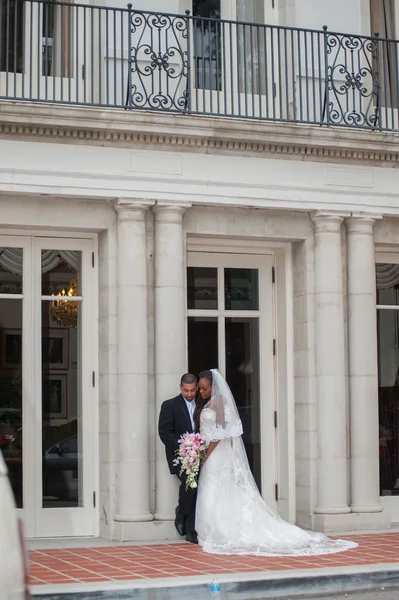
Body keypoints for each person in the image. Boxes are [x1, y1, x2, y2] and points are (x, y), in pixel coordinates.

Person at [195, 369, 358, 556]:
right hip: (208, 452)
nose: (201, 392)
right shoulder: (208, 402)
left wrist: (205, 455)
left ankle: (222, 530)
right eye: (200, 389)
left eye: (204, 388)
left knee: (218, 488)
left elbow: (220, 433)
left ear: (213, 387)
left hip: (216, 454)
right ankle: (209, 528)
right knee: (211, 488)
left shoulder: (219, 402)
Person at [158, 373, 199, 544]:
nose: (189, 394)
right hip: (180, 456)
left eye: (192, 391)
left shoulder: (204, 404)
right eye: (186, 391)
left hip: (202, 455)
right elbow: (164, 433)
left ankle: (187, 520)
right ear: (180, 387)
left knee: (197, 488)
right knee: (190, 485)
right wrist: (184, 448)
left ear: (196, 388)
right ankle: (186, 524)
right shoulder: (170, 405)